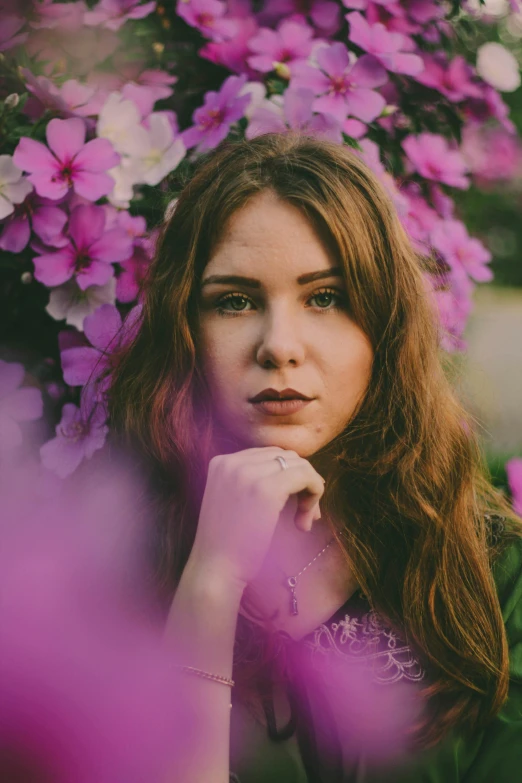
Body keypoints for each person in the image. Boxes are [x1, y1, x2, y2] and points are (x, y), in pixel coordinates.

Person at [107, 132, 522, 783]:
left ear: (384, 324)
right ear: (186, 329)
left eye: (325, 296)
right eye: (234, 301)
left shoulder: (494, 577)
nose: (280, 345)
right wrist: (209, 585)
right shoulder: (115, 565)